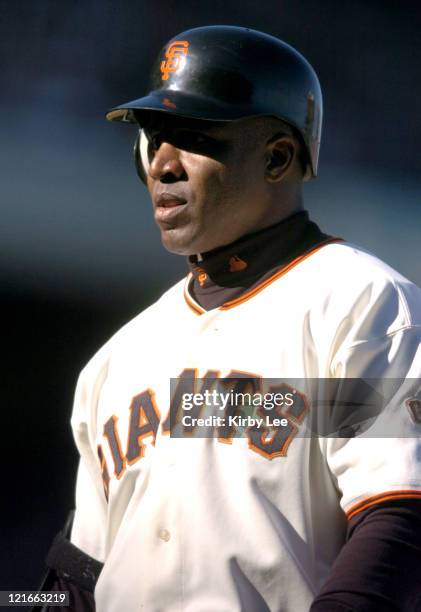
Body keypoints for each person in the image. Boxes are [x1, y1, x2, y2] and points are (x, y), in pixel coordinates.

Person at [39, 26, 421, 612]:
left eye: (190, 136)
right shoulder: (115, 361)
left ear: (277, 157)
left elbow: (400, 516)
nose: (162, 164)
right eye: (152, 139)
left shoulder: (359, 302)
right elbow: (76, 585)